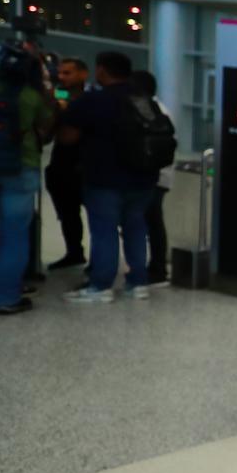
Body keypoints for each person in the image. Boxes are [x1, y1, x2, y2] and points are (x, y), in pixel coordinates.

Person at [59, 52, 157, 303]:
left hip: (105, 179)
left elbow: (68, 137)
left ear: (102, 71)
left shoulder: (93, 101)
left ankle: (101, 285)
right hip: (143, 178)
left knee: (105, 231)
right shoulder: (143, 100)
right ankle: (138, 283)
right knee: (135, 228)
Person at [0, 39, 56, 315]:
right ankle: (8, 298)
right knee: (14, 238)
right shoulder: (30, 94)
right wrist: (44, 79)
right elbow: (48, 126)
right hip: (20, 168)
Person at [129, 69, 175, 287]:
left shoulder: (149, 110)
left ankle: (156, 268)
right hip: (158, 173)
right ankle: (156, 267)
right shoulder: (159, 109)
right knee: (152, 221)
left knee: (151, 221)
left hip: (152, 175)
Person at [45, 56, 89, 271]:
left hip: (85, 166)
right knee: (67, 214)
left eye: (67, 73)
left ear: (83, 74)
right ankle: (74, 251)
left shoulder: (91, 100)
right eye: (60, 73)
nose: (62, 77)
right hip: (61, 165)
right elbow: (48, 133)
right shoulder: (57, 99)